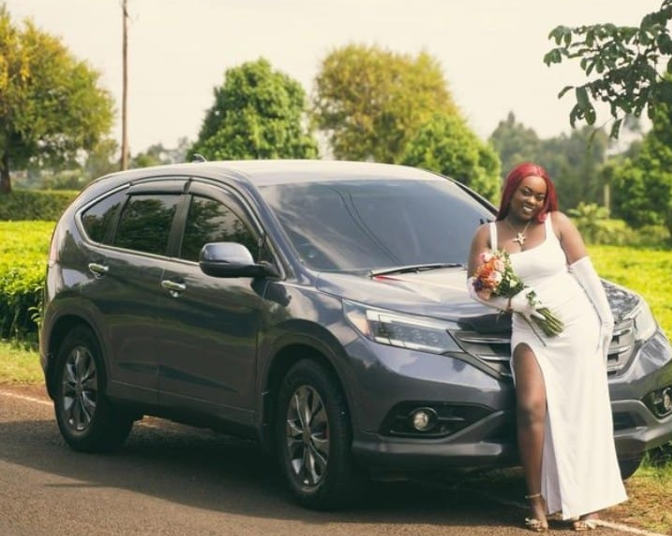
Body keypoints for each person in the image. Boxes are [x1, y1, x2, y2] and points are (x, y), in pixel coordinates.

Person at [466, 162, 627, 532]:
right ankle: (536, 502)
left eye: (539, 195)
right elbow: (474, 287)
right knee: (531, 407)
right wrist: (514, 304)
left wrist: (605, 321)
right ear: (511, 191)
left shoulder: (557, 223)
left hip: (576, 324)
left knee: (582, 411)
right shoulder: (488, 235)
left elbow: (586, 273)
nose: (532, 201)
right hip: (529, 327)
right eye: (526, 192)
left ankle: (587, 504)